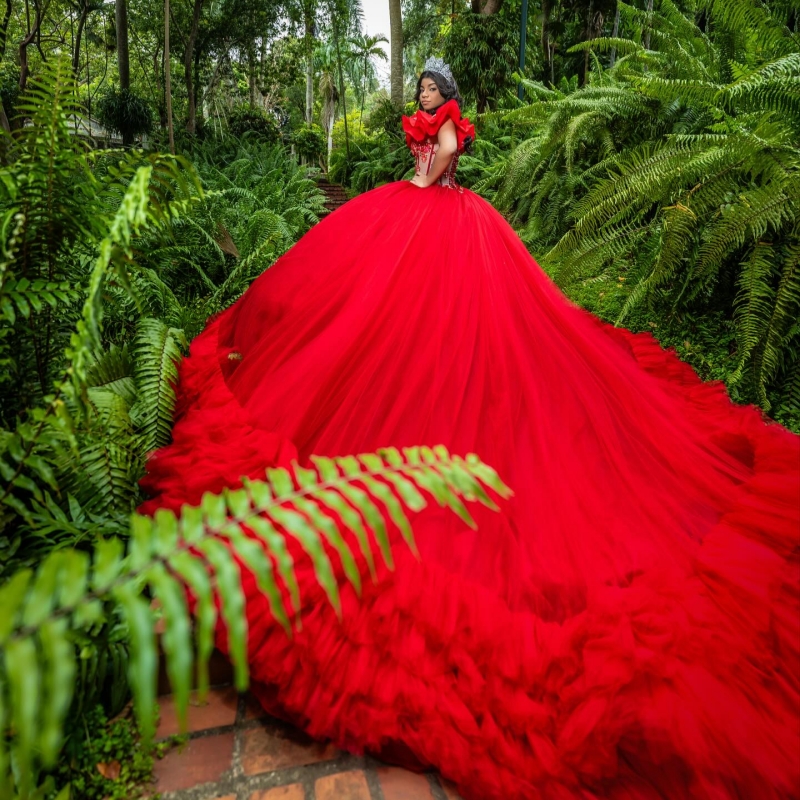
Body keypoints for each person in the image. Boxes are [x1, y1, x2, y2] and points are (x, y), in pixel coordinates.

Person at [141, 58, 800, 799]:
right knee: (378, 329)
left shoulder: (449, 128)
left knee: (468, 344)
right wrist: (415, 177)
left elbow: (448, 155)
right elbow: (429, 151)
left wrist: (425, 176)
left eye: (431, 88)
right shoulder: (423, 121)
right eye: (420, 88)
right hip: (412, 215)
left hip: (447, 220)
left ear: (447, 95)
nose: (424, 96)